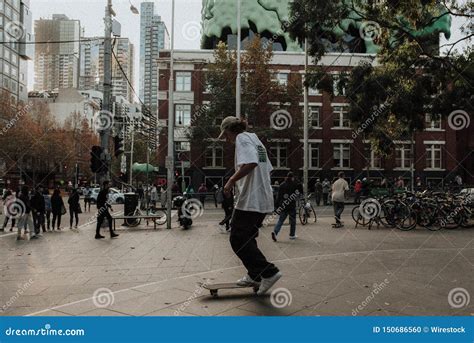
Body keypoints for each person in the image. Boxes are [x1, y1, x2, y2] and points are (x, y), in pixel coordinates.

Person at [219, 116, 281, 295]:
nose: (227, 139)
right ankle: (255, 275)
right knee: (248, 238)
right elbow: (266, 167)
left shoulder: (242, 138)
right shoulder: (256, 140)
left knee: (237, 238)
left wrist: (231, 180)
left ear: (231, 131)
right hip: (263, 198)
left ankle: (269, 272)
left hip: (250, 200)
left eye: (226, 135)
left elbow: (252, 163)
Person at [272, 172, 299, 242]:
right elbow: (296, 194)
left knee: (281, 220)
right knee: (293, 221)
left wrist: (277, 205)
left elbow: (279, 196)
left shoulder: (282, 185)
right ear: (292, 177)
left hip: (283, 205)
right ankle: (292, 235)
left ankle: (275, 232)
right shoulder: (294, 185)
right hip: (291, 206)